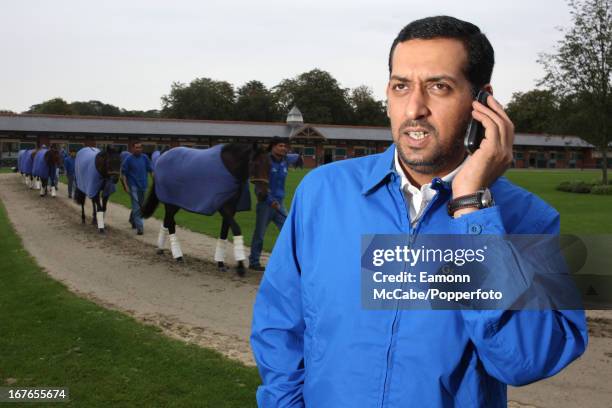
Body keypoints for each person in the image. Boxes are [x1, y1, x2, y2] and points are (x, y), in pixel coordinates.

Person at [250, 16, 587, 407]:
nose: (414, 108)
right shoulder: (322, 192)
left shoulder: (529, 217)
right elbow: (279, 324)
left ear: (482, 102)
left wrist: (473, 211)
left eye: (439, 87)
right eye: (401, 86)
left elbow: (528, 361)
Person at [248, 136, 291, 271]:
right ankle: (254, 262)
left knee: (288, 232)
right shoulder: (264, 160)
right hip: (266, 204)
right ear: (273, 146)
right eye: (280, 145)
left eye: (285, 146)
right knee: (260, 234)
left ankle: (288, 263)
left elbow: (295, 156)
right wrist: (270, 200)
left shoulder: (284, 161)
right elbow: (259, 185)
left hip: (280, 203)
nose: (283, 148)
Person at [121, 142, 153, 235]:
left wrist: (155, 181)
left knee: (141, 206)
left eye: (140, 147)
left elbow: (150, 170)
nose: (138, 149)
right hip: (133, 186)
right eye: (136, 147)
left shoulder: (145, 158)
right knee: (136, 207)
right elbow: (123, 174)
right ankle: (140, 228)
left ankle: (132, 220)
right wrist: (126, 186)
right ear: (132, 148)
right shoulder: (128, 159)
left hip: (143, 186)